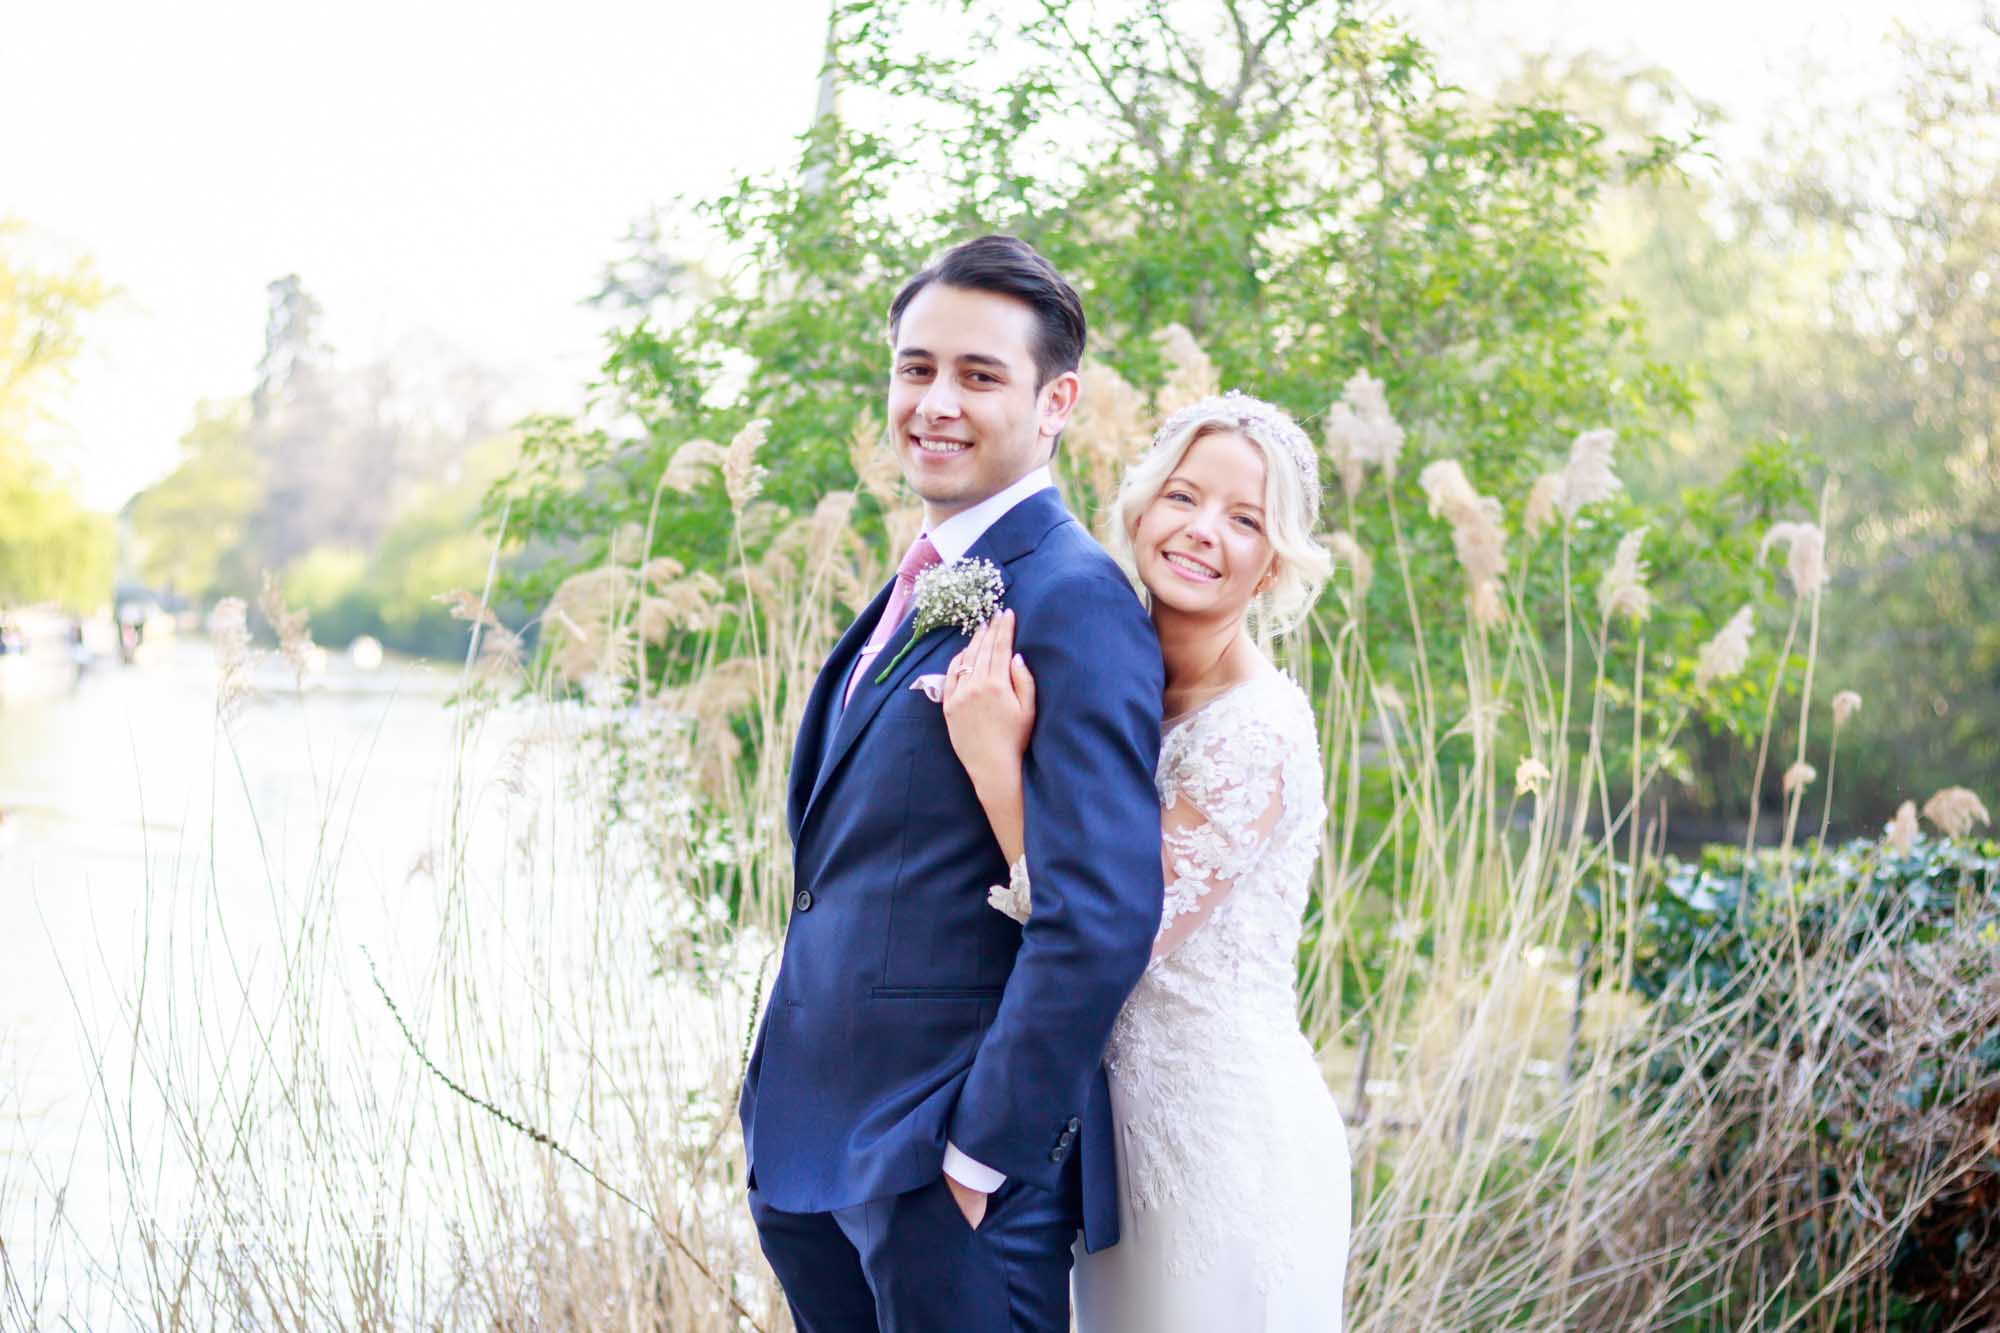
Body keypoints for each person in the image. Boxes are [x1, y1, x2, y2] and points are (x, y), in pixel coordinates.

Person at [737, 234, 1166, 1333]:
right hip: (815, 1159)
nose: (935, 402)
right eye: (915, 368)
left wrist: (978, 1160)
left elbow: (1101, 911)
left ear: (1055, 400)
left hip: (949, 1180)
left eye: (978, 375)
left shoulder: (1073, 596)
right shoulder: (915, 583)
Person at [940, 392, 1353, 1331]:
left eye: (1244, 518)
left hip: (1220, 1145)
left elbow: (1118, 926)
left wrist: (998, 769)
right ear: (1139, 511)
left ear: (1274, 563)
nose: (1203, 530)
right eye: (1184, 497)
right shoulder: (1109, 675)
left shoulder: (1256, 733)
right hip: (1108, 1142)